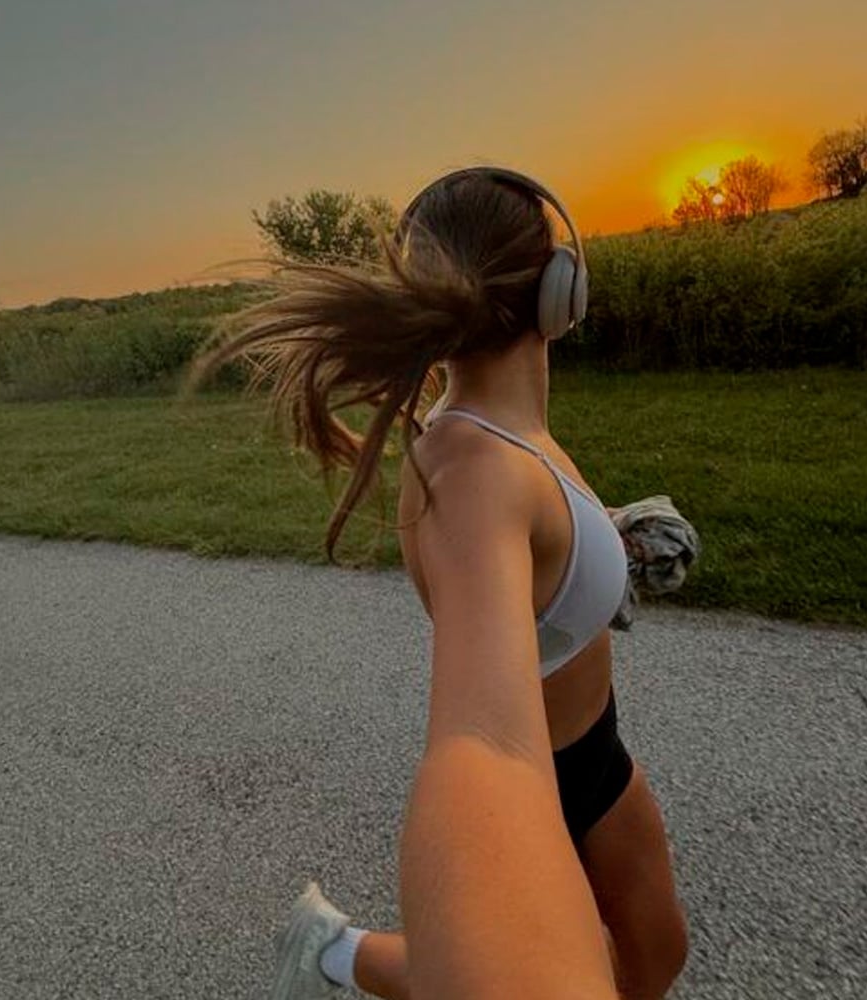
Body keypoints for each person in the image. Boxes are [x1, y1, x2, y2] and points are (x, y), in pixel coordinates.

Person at [191, 167, 687, 1000]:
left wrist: (614, 544)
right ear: (564, 290)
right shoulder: (476, 472)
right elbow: (480, 748)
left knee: (656, 954)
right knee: (560, 967)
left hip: (601, 751)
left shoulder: (508, 438)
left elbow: (541, 563)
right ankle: (331, 950)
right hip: (548, 777)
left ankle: (335, 949)